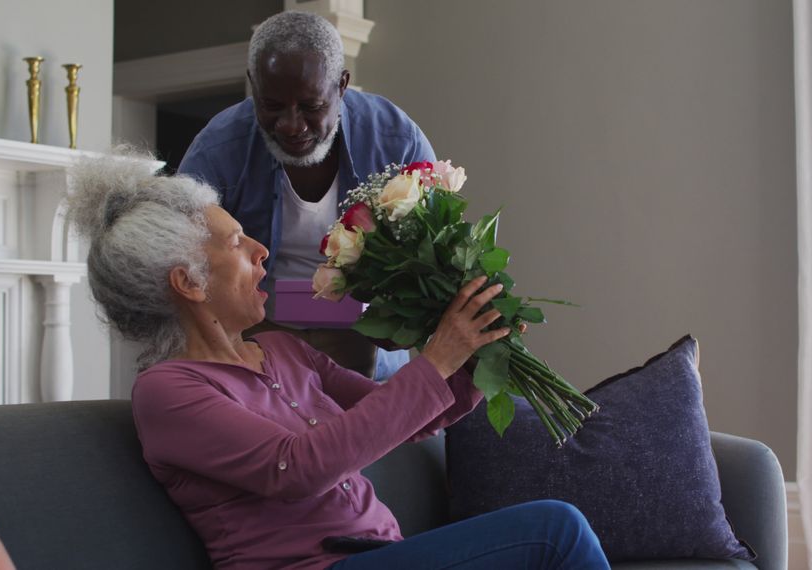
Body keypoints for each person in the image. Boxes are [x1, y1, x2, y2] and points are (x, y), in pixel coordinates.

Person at [65, 151, 609, 570]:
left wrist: (473, 351)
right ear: (188, 282)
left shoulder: (280, 349)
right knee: (556, 531)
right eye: (235, 242)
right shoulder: (168, 393)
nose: (260, 250)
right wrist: (438, 354)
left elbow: (401, 417)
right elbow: (298, 468)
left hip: (379, 555)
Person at [178, 11, 431, 381]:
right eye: (272, 106)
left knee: (372, 424)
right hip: (257, 328)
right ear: (253, 84)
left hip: (366, 331)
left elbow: (430, 252)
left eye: (311, 107)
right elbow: (183, 259)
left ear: (342, 86)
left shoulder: (397, 141)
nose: (291, 125)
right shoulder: (217, 149)